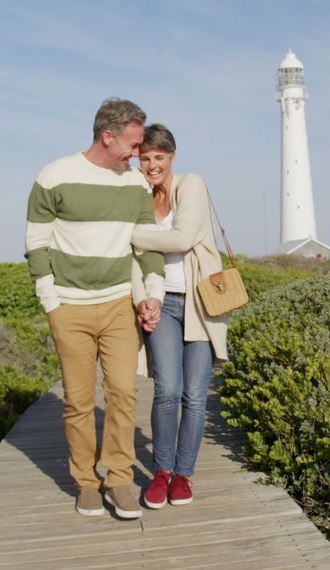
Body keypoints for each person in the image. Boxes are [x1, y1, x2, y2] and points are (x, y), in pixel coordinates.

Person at [24, 98, 165, 520]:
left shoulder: (135, 185)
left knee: (123, 394)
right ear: (108, 136)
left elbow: (146, 245)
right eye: (134, 143)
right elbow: (36, 243)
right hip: (70, 308)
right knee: (79, 401)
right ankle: (86, 482)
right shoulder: (55, 176)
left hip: (120, 305)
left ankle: (119, 478)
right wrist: (51, 300)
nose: (138, 153)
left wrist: (152, 292)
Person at [130, 124, 229, 509]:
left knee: (194, 395)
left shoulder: (191, 184)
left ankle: (184, 475)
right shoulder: (137, 195)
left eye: (159, 157)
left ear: (172, 156)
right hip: (161, 303)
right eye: (146, 158)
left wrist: (133, 235)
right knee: (167, 391)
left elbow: (183, 238)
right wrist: (143, 300)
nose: (152, 165)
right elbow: (133, 263)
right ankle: (162, 472)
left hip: (200, 302)